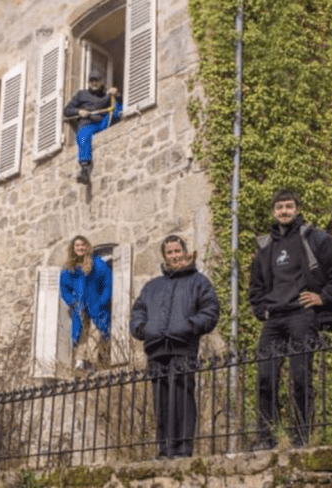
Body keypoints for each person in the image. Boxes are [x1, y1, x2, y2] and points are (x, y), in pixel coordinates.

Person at [248, 189, 332, 450]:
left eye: (288, 206)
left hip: (302, 315)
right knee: (265, 378)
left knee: (300, 377)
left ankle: (301, 435)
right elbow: (255, 287)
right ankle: (267, 436)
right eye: (279, 207)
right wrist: (260, 309)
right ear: (273, 212)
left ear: (297, 209)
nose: (284, 211)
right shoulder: (265, 247)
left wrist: (324, 297)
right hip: (274, 318)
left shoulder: (314, 239)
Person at [130, 236, 220, 459]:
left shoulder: (198, 281)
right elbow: (138, 311)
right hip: (156, 349)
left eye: (177, 251)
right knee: (161, 404)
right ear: (165, 257)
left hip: (183, 347)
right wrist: (142, 329)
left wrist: (189, 326)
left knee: (182, 399)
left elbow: (210, 311)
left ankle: (182, 449)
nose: (174, 256)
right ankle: (164, 449)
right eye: (169, 253)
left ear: (185, 252)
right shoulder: (152, 286)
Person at [60, 235, 112, 371]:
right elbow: (64, 288)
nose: (80, 248)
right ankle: (80, 361)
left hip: (96, 305)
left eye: (83, 245)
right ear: (73, 248)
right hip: (79, 307)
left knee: (96, 332)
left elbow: (107, 282)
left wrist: (102, 301)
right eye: (77, 245)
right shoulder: (69, 268)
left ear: (87, 247)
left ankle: (91, 362)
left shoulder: (97, 263)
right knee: (81, 333)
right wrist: (72, 301)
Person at [63, 69, 121, 185]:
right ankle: (84, 169)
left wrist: (116, 95)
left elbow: (116, 102)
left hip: (103, 122)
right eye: (92, 80)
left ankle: (123, 118)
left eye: (97, 80)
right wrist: (78, 111)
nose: (94, 83)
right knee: (83, 136)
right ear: (88, 82)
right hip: (88, 123)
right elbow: (67, 110)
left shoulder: (106, 94)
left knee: (118, 105)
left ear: (102, 81)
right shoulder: (81, 94)